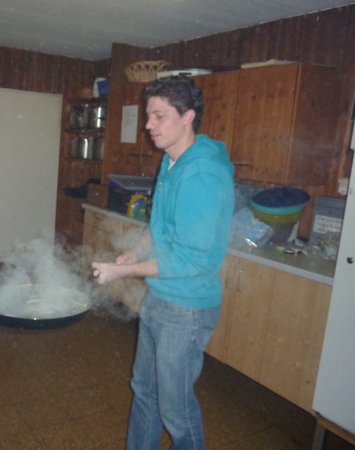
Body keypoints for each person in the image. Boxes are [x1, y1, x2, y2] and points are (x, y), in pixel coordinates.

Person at [91, 75, 234, 450]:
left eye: (159, 116)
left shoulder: (202, 174)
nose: (148, 125)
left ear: (187, 116)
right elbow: (158, 226)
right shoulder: (171, 162)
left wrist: (122, 271)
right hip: (160, 298)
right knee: (144, 391)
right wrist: (136, 253)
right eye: (147, 115)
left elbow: (190, 259)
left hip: (186, 309)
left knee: (176, 409)